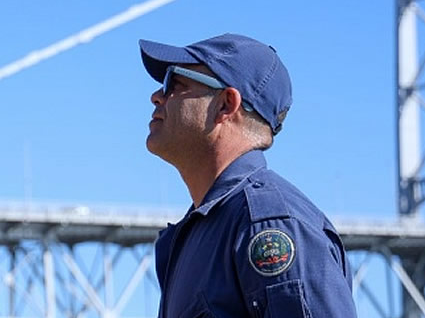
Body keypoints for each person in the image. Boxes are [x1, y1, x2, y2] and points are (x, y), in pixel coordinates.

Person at [140, 33, 356, 317]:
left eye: (174, 83)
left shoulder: (268, 224)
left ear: (226, 104)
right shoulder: (206, 229)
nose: (156, 96)